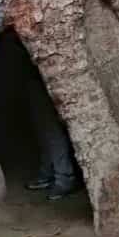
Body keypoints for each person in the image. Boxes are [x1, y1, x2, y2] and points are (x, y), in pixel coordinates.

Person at [23, 58, 80, 201]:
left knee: (51, 129)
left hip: (51, 69)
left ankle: (64, 179)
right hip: (31, 73)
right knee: (43, 126)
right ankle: (49, 173)